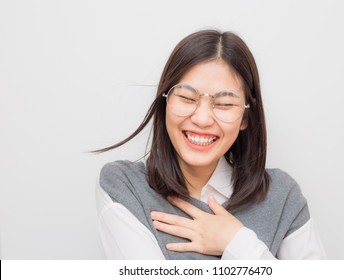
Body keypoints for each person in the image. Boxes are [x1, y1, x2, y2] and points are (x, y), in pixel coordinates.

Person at [94, 29, 326, 259]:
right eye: (186, 98)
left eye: (224, 104)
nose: (202, 119)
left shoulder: (282, 196)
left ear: (245, 117)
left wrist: (236, 242)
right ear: (165, 103)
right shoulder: (125, 186)